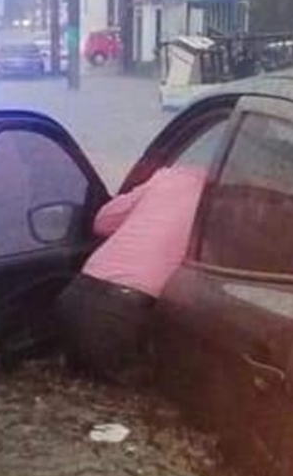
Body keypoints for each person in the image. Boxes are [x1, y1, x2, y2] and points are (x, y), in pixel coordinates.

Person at [55, 152, 212, 384]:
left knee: (76, 390)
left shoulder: (170, 178)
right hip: (125, 315)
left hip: (74, 298)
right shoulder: (228, 202)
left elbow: (102, 221)